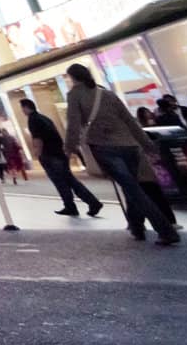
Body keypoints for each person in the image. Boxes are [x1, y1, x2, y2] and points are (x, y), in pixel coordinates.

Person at [64, 62, 179, 245]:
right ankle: (136, 227)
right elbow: (130, 121)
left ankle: (166, 230)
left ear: (73, 78)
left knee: (134, 189)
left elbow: (73, 124)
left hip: (104, 147)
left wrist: (68, 149)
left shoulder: (75, 95)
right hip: (130, 146)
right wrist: (147, 146)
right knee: (131, 186)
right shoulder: (107, 94)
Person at [21, 97, 101, 217]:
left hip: (49, 154)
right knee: (69, 179)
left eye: (22, 108)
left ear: (27, 107)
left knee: (61, 182)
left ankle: (76, 205)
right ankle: (87, 203)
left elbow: (37, 138)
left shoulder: (33, 119)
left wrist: (38, 152)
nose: (22, 111)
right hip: (59, 153)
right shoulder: (44, 118)